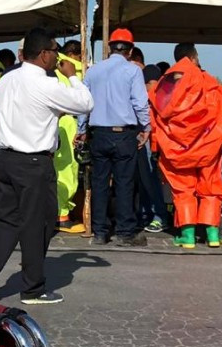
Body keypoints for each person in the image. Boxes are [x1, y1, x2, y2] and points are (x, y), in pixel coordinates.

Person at [0, 28, 93, 304]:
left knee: (3, 224)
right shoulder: (46, 83)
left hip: (4, 157)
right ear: (44, 54)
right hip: (34, 161)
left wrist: (2, 149)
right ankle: (32, 288)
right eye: (55, 51)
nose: (58, 57)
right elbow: (85, 103)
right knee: (38, 225)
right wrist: (73, 76)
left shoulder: (5, 80)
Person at [148, 43, 222, 249]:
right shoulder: (210, 82)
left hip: (177, 149)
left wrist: (157, 147)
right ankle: (212, 235)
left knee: (183, 191)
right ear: (194, 57)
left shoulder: (164, 85)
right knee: (210, 188)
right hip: (208, 148)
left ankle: (187, 236)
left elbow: (155, 119)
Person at [80, 28, 149, 246]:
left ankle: (100, 231)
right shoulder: (133, 71)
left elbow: (83, 103)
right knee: (124, 183)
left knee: (100, 182)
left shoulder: (93, 71)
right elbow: (139, 103)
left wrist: (82, 128)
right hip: (123, 134)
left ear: (110, 48)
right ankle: (124, 231)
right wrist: (146, 127)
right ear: (130, 50)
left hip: (99, 134)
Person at [54, 40, 86, 233]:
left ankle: (57, 211)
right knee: (68, 170)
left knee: (55, 170)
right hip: (69, 123)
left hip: (52, 122)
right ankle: (62, 215)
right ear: (74, 54)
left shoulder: (51, 70)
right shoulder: (77, 70)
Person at [137, 64, 172, 232]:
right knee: (146, 182)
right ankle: (147, 214)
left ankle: (159, 216)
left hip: (153, 145)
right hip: (152, 144)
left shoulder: (154, 97)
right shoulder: (162, 95)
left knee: (151, 182)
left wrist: (157, 150)